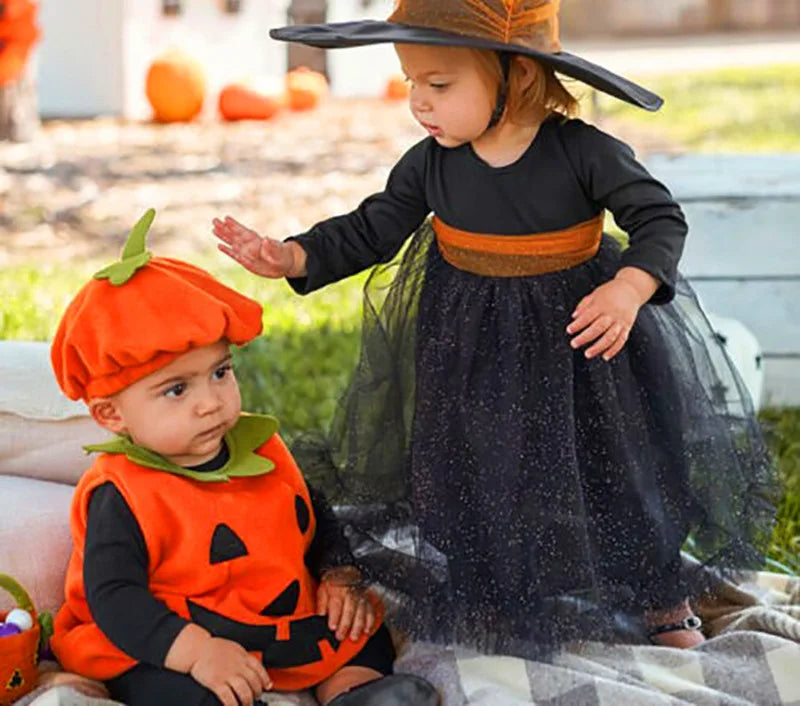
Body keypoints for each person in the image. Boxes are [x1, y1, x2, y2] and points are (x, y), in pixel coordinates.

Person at [212, 0, 776, 656]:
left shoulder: (582, 152)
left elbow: (658, 218)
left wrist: (629, 287)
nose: (419, 103)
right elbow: (375, 226)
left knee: (617, 467)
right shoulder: (430, 162)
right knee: (476, 465)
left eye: (439, 84)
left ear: (521, 75)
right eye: (411, 83)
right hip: (472, 344)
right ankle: (500, 588)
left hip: (582, 342)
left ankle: (658, 593)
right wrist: (294, 256)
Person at [49, 210, 439, 706]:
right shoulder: (122, 492)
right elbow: (116, 601)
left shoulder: (261, 447)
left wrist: (338, 576)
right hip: (168, 639)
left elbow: (313, 514)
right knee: (181, 691)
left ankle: (350, 691)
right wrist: (197, 654)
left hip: (278, 621)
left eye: (219, 373)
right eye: (175, 390)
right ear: (111, 415)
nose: (210, 402)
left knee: (360, 632)